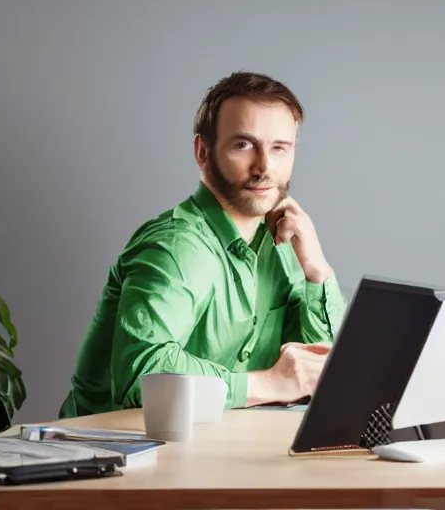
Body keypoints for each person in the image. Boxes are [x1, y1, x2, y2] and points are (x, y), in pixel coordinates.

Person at [58, 71, 347, 419]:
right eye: (244, 145)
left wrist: (316, 271)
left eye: (279, 148)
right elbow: (144, 375)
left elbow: (320, 372)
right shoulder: (178, 246)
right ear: (202, 151)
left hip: (213, 451)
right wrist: (267, 384)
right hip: (110, 454)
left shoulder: (283, 242)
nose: (264, 167)